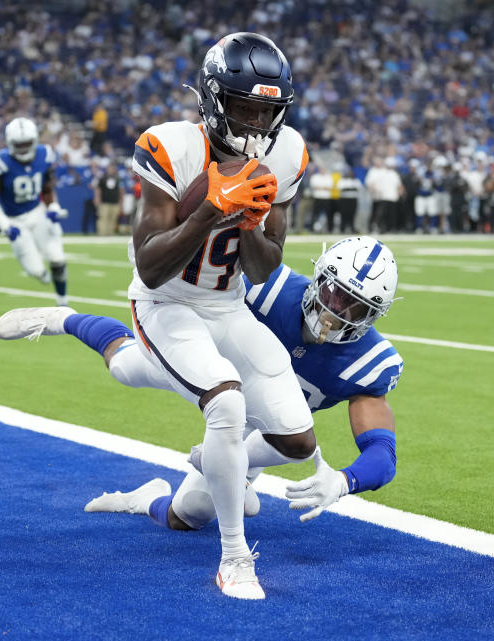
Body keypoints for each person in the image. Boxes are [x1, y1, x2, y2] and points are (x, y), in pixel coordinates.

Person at [0, 236, 400, 579]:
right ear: (319, 277)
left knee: (188, 514)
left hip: (262, 429)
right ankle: (65, 319)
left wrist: (345, 481)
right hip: (209, 369)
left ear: (374, 315)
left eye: (355, 307)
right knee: (125, 367)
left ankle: (144, 498)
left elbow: (382, 453)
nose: (336, 311)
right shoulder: (268, 287)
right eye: (333, 292)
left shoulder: (370, 363)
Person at [90, 32, 310, 600]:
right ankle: (235, 557)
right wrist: (210, 211)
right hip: (165, 304)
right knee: (227, 403)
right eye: (246, 107)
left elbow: (264, 269)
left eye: (269, 110)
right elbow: (152, 265)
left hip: (227, 304)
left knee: (297, 439)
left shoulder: (286, 154)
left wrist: (249, 221)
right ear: (213, 100)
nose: (259, 122)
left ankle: (212, 467)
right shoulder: (170, 146)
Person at [0, 117, 70, 306]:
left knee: (57, 258)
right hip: (15, 221)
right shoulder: (1, 162)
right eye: (18, 144)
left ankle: (63, 302)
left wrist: (53, 207)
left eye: (26, 144)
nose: (23, 148)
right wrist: (5, 225)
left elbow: (47, 188)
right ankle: (42, 274)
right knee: (36, 271)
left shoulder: (44, 155)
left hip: (37, 213)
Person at [95, 162, 123, 235]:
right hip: (104, 201)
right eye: (110, 169)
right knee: (103, 218)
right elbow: (98, 189)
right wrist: (97, 198)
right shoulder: (103, 178)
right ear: (107, 169)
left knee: (113, 219)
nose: (111, 170)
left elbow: (121, 191)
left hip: (115, 202)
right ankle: (102, 233)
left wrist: (121, 202)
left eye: (113, 169)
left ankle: (110, 233)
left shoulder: (118, 178)